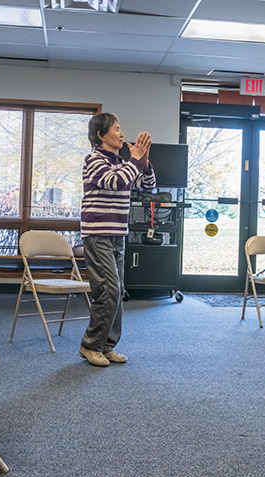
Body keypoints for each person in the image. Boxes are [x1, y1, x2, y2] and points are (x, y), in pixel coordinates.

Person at [78, 113, 155, 366]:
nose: (122, 134)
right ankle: (90, 346)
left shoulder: (123, 161)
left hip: (117, 234)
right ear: (101, 135)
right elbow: (116, 181)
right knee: (108, 290)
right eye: (117, 129)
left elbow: (148, 186)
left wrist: (144, 161)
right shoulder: (93, 159)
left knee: (117, 291)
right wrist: (134, 160)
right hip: (98, 234)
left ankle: (106, 346)